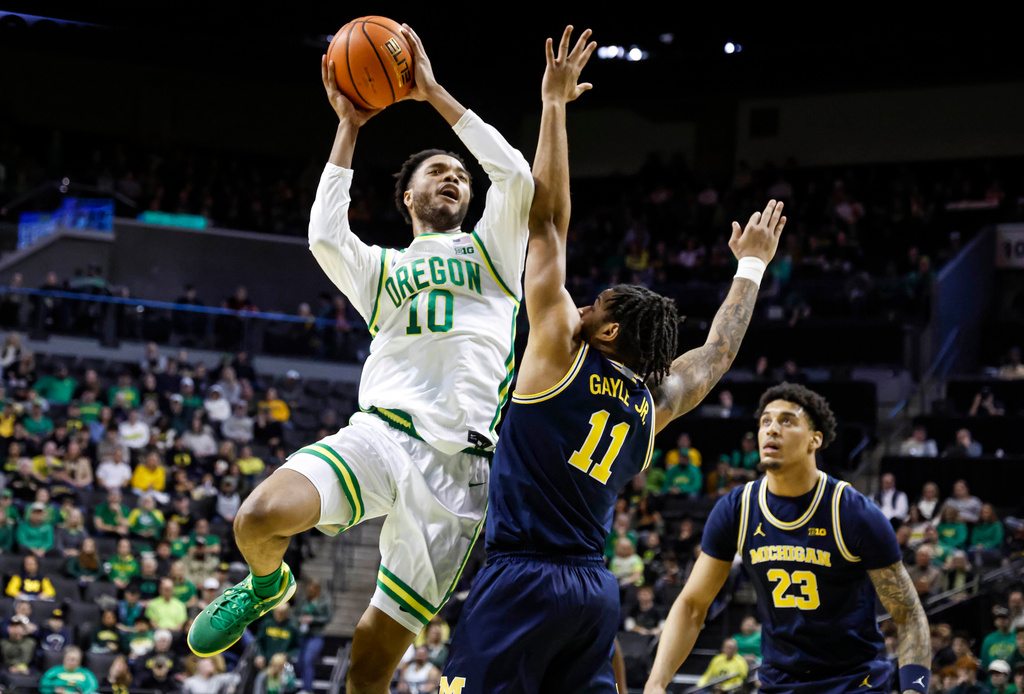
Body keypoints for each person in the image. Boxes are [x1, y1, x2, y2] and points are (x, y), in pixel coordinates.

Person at [187, 23, 536, 693]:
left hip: (459, 472)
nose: (453, 180)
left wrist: (431, 92)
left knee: (369, 667)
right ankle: (267, 586)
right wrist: (348, 125)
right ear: (408, 197)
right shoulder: (380, 271)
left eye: (460, 176)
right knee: (257, 517)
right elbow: (323, 234)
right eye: (438, 172)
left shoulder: (494, 256)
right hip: (377, 435)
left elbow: (514, 173)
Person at [443, 26, 785, 694]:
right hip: (593, 592)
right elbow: (716, 354)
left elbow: (547, 224)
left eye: (594, 304)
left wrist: (553, 107)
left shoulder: (556, 354)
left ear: (602, 335)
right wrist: (751, 265)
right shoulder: (650, 402)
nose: (582, 304)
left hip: (521, 579)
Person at [646, 384, 931, 694]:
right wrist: (656, 682)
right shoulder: (737, 509)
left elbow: (908, 614)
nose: (772, 430)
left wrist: (914, 689)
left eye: (786, 421)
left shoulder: (853, 512)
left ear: (815, 439)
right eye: (765, 421)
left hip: (853, 683)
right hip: (778, 682)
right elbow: (691, 605)